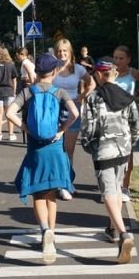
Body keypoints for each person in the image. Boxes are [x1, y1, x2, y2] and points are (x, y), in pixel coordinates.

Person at [6, 53, 78, 264]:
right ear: (54, 72)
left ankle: (44, 229)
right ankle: (52, 234)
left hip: (35, 148)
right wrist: (62, 130)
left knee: (38, 194)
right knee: (52, 193)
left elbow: (10, 113)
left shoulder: (28, 92)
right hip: (55, 147)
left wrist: (25, 127)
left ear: (36, 72)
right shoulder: (60, 92)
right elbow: (74, 113)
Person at [80, 58, 139, 263]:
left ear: (98, 74)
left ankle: (123, 234)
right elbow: (137, 127)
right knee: (116, 188)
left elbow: (88, 128)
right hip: (124, 150)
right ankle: (112, 229)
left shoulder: (93, 98)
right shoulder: (127, 97)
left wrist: (89, 146)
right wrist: (128, 143)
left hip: (103, 150)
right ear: (114, 74)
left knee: (107, 192)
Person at [52, 38, 89, 199]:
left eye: (65, 51)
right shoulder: (52, 69)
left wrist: (81, 96)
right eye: (59, 51)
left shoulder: (79, 69)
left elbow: (92, 83)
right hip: (55, 111)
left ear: (70, 52)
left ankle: (67, 182)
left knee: (69, 150)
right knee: (56, 149)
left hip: (73, 112)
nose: (62, 53)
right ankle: (59, 183)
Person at [112, 45, 139, 201]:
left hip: (129, 117)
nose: (117, 61)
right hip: (112, 117)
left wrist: (138, 93)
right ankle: (112, 187)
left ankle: (125, 187)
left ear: (128, 59)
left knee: (128, 152)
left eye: (121, 58)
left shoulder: (133, 73)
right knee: (112, 152)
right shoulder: (110, 73)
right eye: (116, 58)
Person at [0, 47, 18, 140]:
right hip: (9, 91)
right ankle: (11, 134)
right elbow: (14, 80)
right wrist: (14, 91)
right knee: (9, 113)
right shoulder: (11, 65)